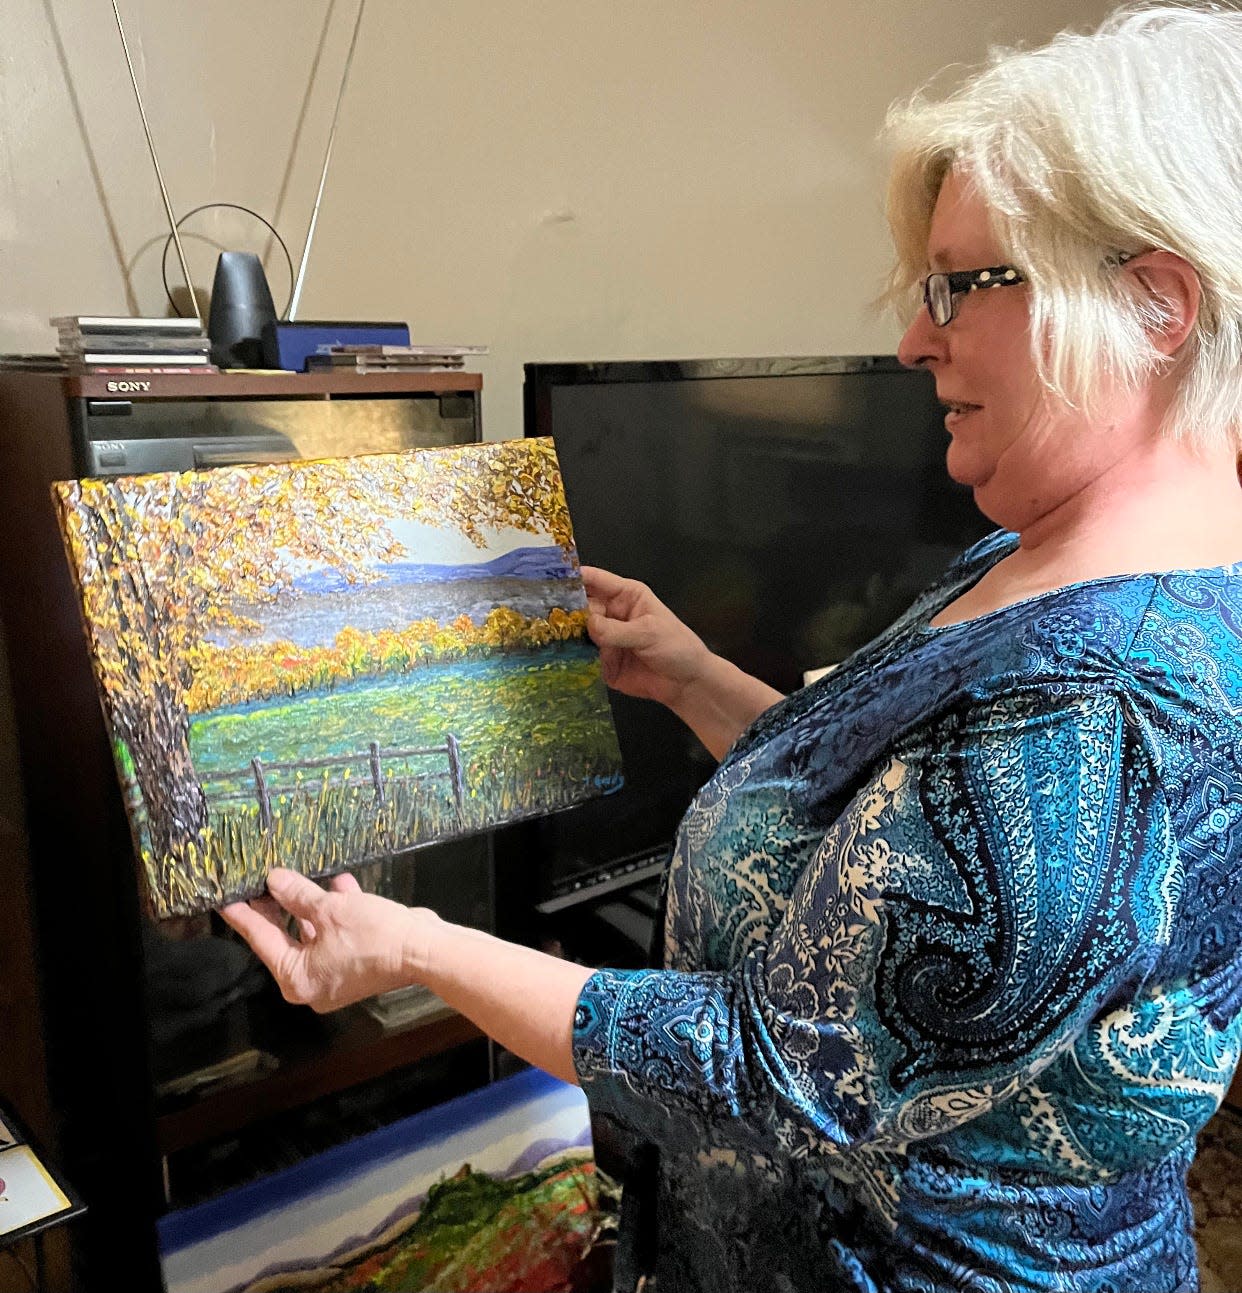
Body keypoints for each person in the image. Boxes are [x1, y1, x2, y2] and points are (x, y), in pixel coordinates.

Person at [221, 6, 1242, 1290]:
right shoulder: (1052, 555)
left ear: (1153, 306)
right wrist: (695, 678)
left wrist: (413, 950)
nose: (915, 338)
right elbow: (892, 836)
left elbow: (767, 1073)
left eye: (961, 286)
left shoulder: (1099, 711)